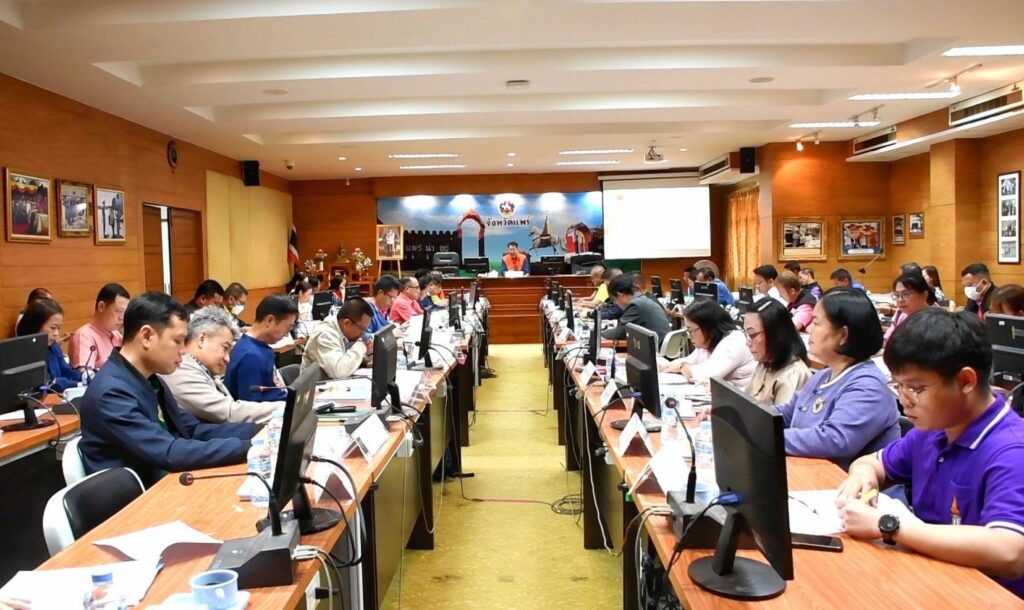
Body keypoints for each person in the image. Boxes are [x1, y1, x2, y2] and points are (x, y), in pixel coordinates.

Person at [837, 310, 1024, 597]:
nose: (904, 400)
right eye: (898, 386)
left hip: (987, 596)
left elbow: (1010, 552)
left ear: (965, 381)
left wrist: (889, 525)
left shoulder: (1011, 450)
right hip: (931, 581)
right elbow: (872, 462)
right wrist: (863, 476)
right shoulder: (933, 429)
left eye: (916, 388)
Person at [78, 292, 259, 488]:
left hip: (165, 482)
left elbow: (192, 429)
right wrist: (251, 447)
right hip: (138, 498)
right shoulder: (111, 392)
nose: (183, 350)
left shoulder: (151, 379)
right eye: (178, 340)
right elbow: (168, 452)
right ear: (146, 336)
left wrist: (258, 431)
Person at [775, 288, 900, 469]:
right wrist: (749, 419)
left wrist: (769, 437)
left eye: (816, 323)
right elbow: (785, 414)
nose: (809, 330)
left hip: (848, 484)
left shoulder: (869, 386)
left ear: (843, 335)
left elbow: (834, 440)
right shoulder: (824, 375)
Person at [161, 307, 283, 424]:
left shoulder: (200, 368)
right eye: (224, 348)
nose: (227, 359)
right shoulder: (180, 369)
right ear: (202, 339)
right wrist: (284, 408)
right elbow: (229, 413)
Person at [661, 299, 755, 388]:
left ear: (708, 328)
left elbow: (705, 375)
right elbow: (687, 362)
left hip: (741, 397)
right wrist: (663, 366)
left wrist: (682, 367)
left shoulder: (734, 342)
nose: (689, 336)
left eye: (690, 330)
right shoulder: (706, 343)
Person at [224, 295, 298, 402]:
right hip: (275, 410)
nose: (287, 335)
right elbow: (252, 406)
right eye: (288, 328)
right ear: (269, 321)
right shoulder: (250, 357)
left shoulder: (257, 346)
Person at [742, 298, 812, 405]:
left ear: (775, 334)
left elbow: (779, 416)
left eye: (752, 335)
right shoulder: (765, 362)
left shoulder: (793, 374)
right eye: (746, 334)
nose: (748, 343)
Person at [16, 298, 82, 392]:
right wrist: (77, 384)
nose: (56, 333)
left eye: (58, 328)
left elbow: (66, 371)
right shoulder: (25, 352)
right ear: (36, 325)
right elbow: (48, 383)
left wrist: (85, 377)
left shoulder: (54, 346)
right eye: (53, 328)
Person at [302, 298, 374, 380]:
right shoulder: (325, 334)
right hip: (316, 387)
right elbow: (339, 371)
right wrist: (361, 346)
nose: (363, 333)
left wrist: (364, 361)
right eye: (362, 329)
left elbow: (343, 357)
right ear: (347, 323)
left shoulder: (342, 331)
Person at [70, 283, 130, 370]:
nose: (122, 318)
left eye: (125, 312)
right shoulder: (84, 336)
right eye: (119, 311)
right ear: (101, 306)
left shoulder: (117, 335)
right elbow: (85, 374)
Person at [601, 274, 670, 343]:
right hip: (661, 345)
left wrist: (601, 333)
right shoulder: (643, 300)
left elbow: (619, 333)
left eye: (615, 300)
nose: (616, 304)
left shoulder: (636, 305)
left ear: (620, 295)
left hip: (656, 348)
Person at [884, 272, 937, 345]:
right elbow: (887, 340)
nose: (900, 300)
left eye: (906, 294)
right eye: (896, 295)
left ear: (924, 295)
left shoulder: (937, 319)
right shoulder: (902, 315)